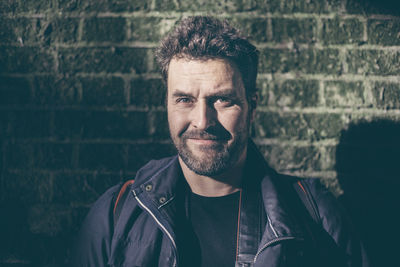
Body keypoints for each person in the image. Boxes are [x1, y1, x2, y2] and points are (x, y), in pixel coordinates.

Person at [71, 16, 369, 267]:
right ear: (167, 104)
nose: (202, 121)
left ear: (252, 106)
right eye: (185, 99)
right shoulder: (116, 214)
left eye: (223, 100)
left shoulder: (315, 216)